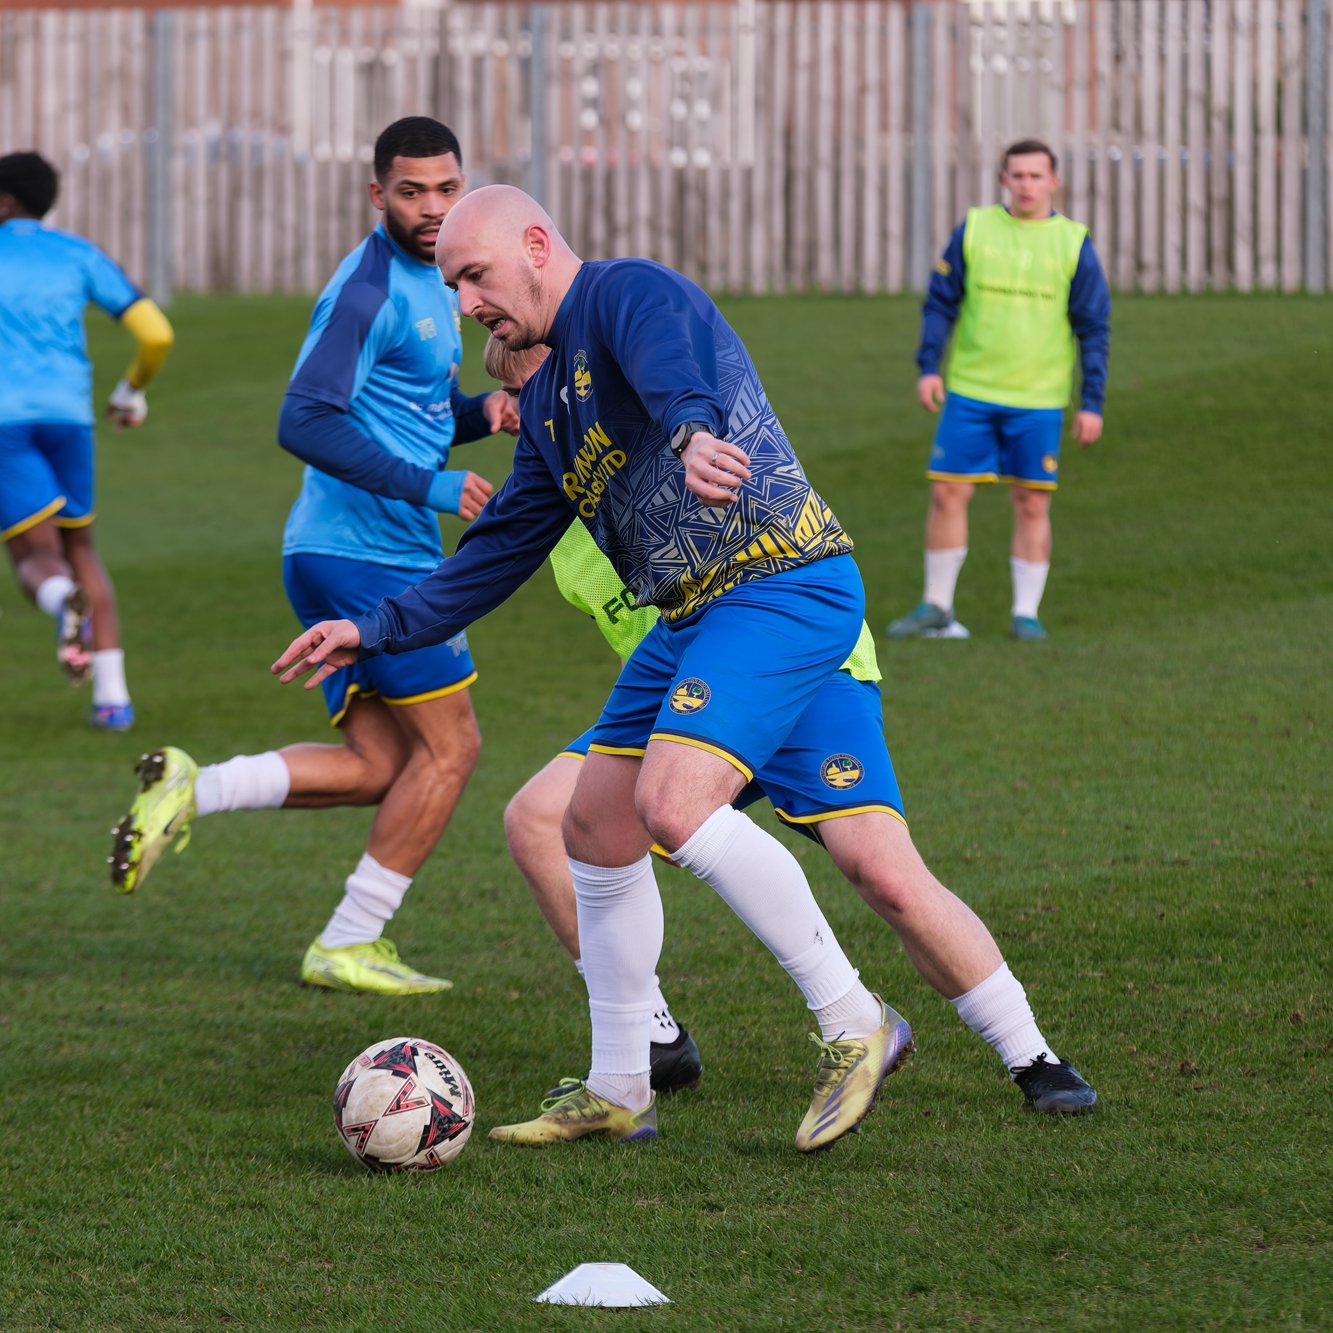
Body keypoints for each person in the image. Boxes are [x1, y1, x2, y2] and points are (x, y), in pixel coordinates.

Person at [275, 186, 1095, 1154]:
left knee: (705, 813)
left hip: (780, 588)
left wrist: (696, 432)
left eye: (474, 277)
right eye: (452, 286)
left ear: (535, 244)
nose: (465, 305)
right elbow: (494, 553)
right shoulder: (548, 408)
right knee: (588, 822)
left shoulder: (625, 291)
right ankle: (622, 1083)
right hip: (694, 624)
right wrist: (371, 629)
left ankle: (859, 1020)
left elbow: (674, 369)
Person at [487, 335, 1096, 1127]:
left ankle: (1028, 1052)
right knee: (544, 818)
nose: (532, 410)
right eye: (517, 399)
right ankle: (648, 1039)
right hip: (689, 693)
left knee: (882, 871)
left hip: (804, 666)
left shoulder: (656, 434)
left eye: (540, 385)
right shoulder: (554, 500)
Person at [108, 117, 514, 997]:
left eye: (447, 188)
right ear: (377, 194)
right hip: (366, 556)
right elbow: (303, 418)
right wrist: (431, 486)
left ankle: (193, 788)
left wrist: (483, 414)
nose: (432, 207)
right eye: (411, 191)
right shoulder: (368, 290)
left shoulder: (435, 277)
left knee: (379, 765)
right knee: (452, 749)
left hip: (345, 550)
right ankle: (349, 940)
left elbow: (415, 408)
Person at [887, 138, 1111, 642]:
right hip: (971, 391)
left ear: (1053, 181)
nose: (1026, 185)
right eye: (1018, 175)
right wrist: (929, 366)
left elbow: (1093, 327)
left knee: (1031, 502)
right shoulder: (975, 229)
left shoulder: (1073, 242)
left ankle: (1025, 614)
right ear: (1004, 180)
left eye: (1036, 176)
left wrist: (1092, 401)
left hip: (1039, 399)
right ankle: (937, 608)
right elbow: (940, 303)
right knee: (947, 492)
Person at [0, 150, 174, 730]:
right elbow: (156, 334)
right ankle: (113, 698)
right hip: (71, 419)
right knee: (81, 549)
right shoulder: (78, 253)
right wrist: (131, 391)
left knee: (35, 556)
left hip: (6, 424)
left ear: (5, 201)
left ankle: (61, 601)